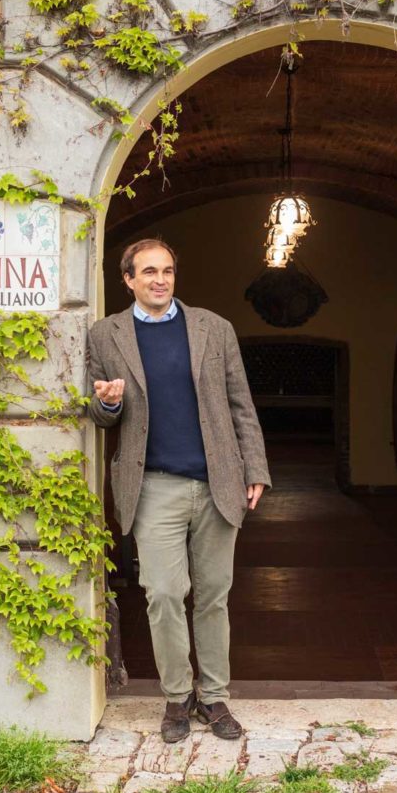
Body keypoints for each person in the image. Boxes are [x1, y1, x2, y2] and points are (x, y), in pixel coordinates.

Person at [87, 239, 271, 743]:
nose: (160, 280)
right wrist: (107, 403)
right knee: (164, 593)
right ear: (128, 279)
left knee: (213, 596)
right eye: (148, 272)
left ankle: (214, 699)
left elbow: (240, 404)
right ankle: (176, 697)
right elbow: (101, 415)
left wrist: (255, 467)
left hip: (217, 483)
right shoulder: (105, 336)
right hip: (152, 486)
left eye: (167, 270)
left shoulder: (215, 328)